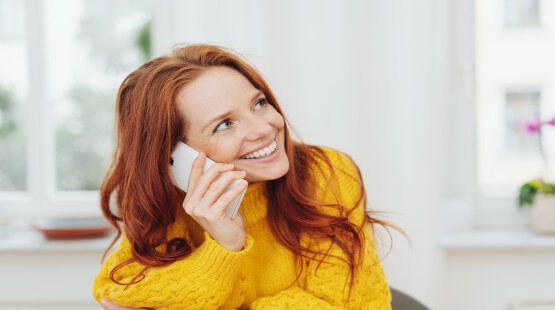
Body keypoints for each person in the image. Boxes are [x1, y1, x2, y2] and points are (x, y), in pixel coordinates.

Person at [93, 44, 393, 309]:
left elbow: (349, 305)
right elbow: (114, 291)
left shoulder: (326, 172)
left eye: (259, 103)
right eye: (224, 124)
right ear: (175, 155)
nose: (265, 128)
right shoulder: (170, 203)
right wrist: (224, 244)